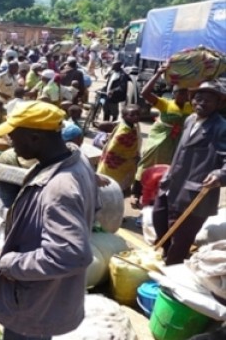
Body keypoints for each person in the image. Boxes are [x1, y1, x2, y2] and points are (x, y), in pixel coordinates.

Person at [0, 101, 97, 340]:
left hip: (33, 299)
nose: (11, 144)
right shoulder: (77, 159)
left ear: (34, 137)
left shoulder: (59, 188)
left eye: (14, 137)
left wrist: (12, 264)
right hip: (46, 294)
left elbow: (72, 254)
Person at [152, 81, 226, 265]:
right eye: (198, 98)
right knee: (159, 218)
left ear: (219, 104)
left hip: (195, 192)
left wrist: (220, 174)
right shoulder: (190, 119)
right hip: (172, 184)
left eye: (208, 100)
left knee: (181, 239)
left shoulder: (221, 128)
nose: (201, 102)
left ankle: (171, 272)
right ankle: (168, 254)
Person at [131, 66, 193, 208]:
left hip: (178, 140)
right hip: (160, 137)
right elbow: (145, 93)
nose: (184, 96)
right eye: (181, 93)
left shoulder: (192, 107)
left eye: (186, 93)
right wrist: (158, 73)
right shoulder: (165, 104)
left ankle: (158, 194)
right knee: (147, 162)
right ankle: (136, 192)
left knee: (170, 167)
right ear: (174, 93)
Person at [97, 105, 141, 192]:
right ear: (124, 116)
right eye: (132, 115)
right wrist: (133, 157)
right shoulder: (124, 132)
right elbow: (113, 149)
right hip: (116, 164)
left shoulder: (130, 125)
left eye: (138, 114)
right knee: (111, 186)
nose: (136, 116)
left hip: (123, 163)